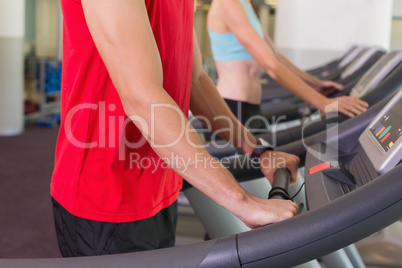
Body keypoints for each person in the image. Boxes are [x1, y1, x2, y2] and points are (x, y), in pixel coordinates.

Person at [51, 0, 299, 257]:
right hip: (106, 194)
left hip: (161, 181)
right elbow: (142, 98)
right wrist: (242, 202)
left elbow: (195, 80)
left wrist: (258, 151)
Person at [207, 0, 369, 126]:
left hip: (250, 105)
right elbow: (271, 65)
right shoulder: (228, 3)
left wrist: (315, 84)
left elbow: (274, 55)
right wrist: (324, 103)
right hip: (232, 107)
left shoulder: (245, 4)